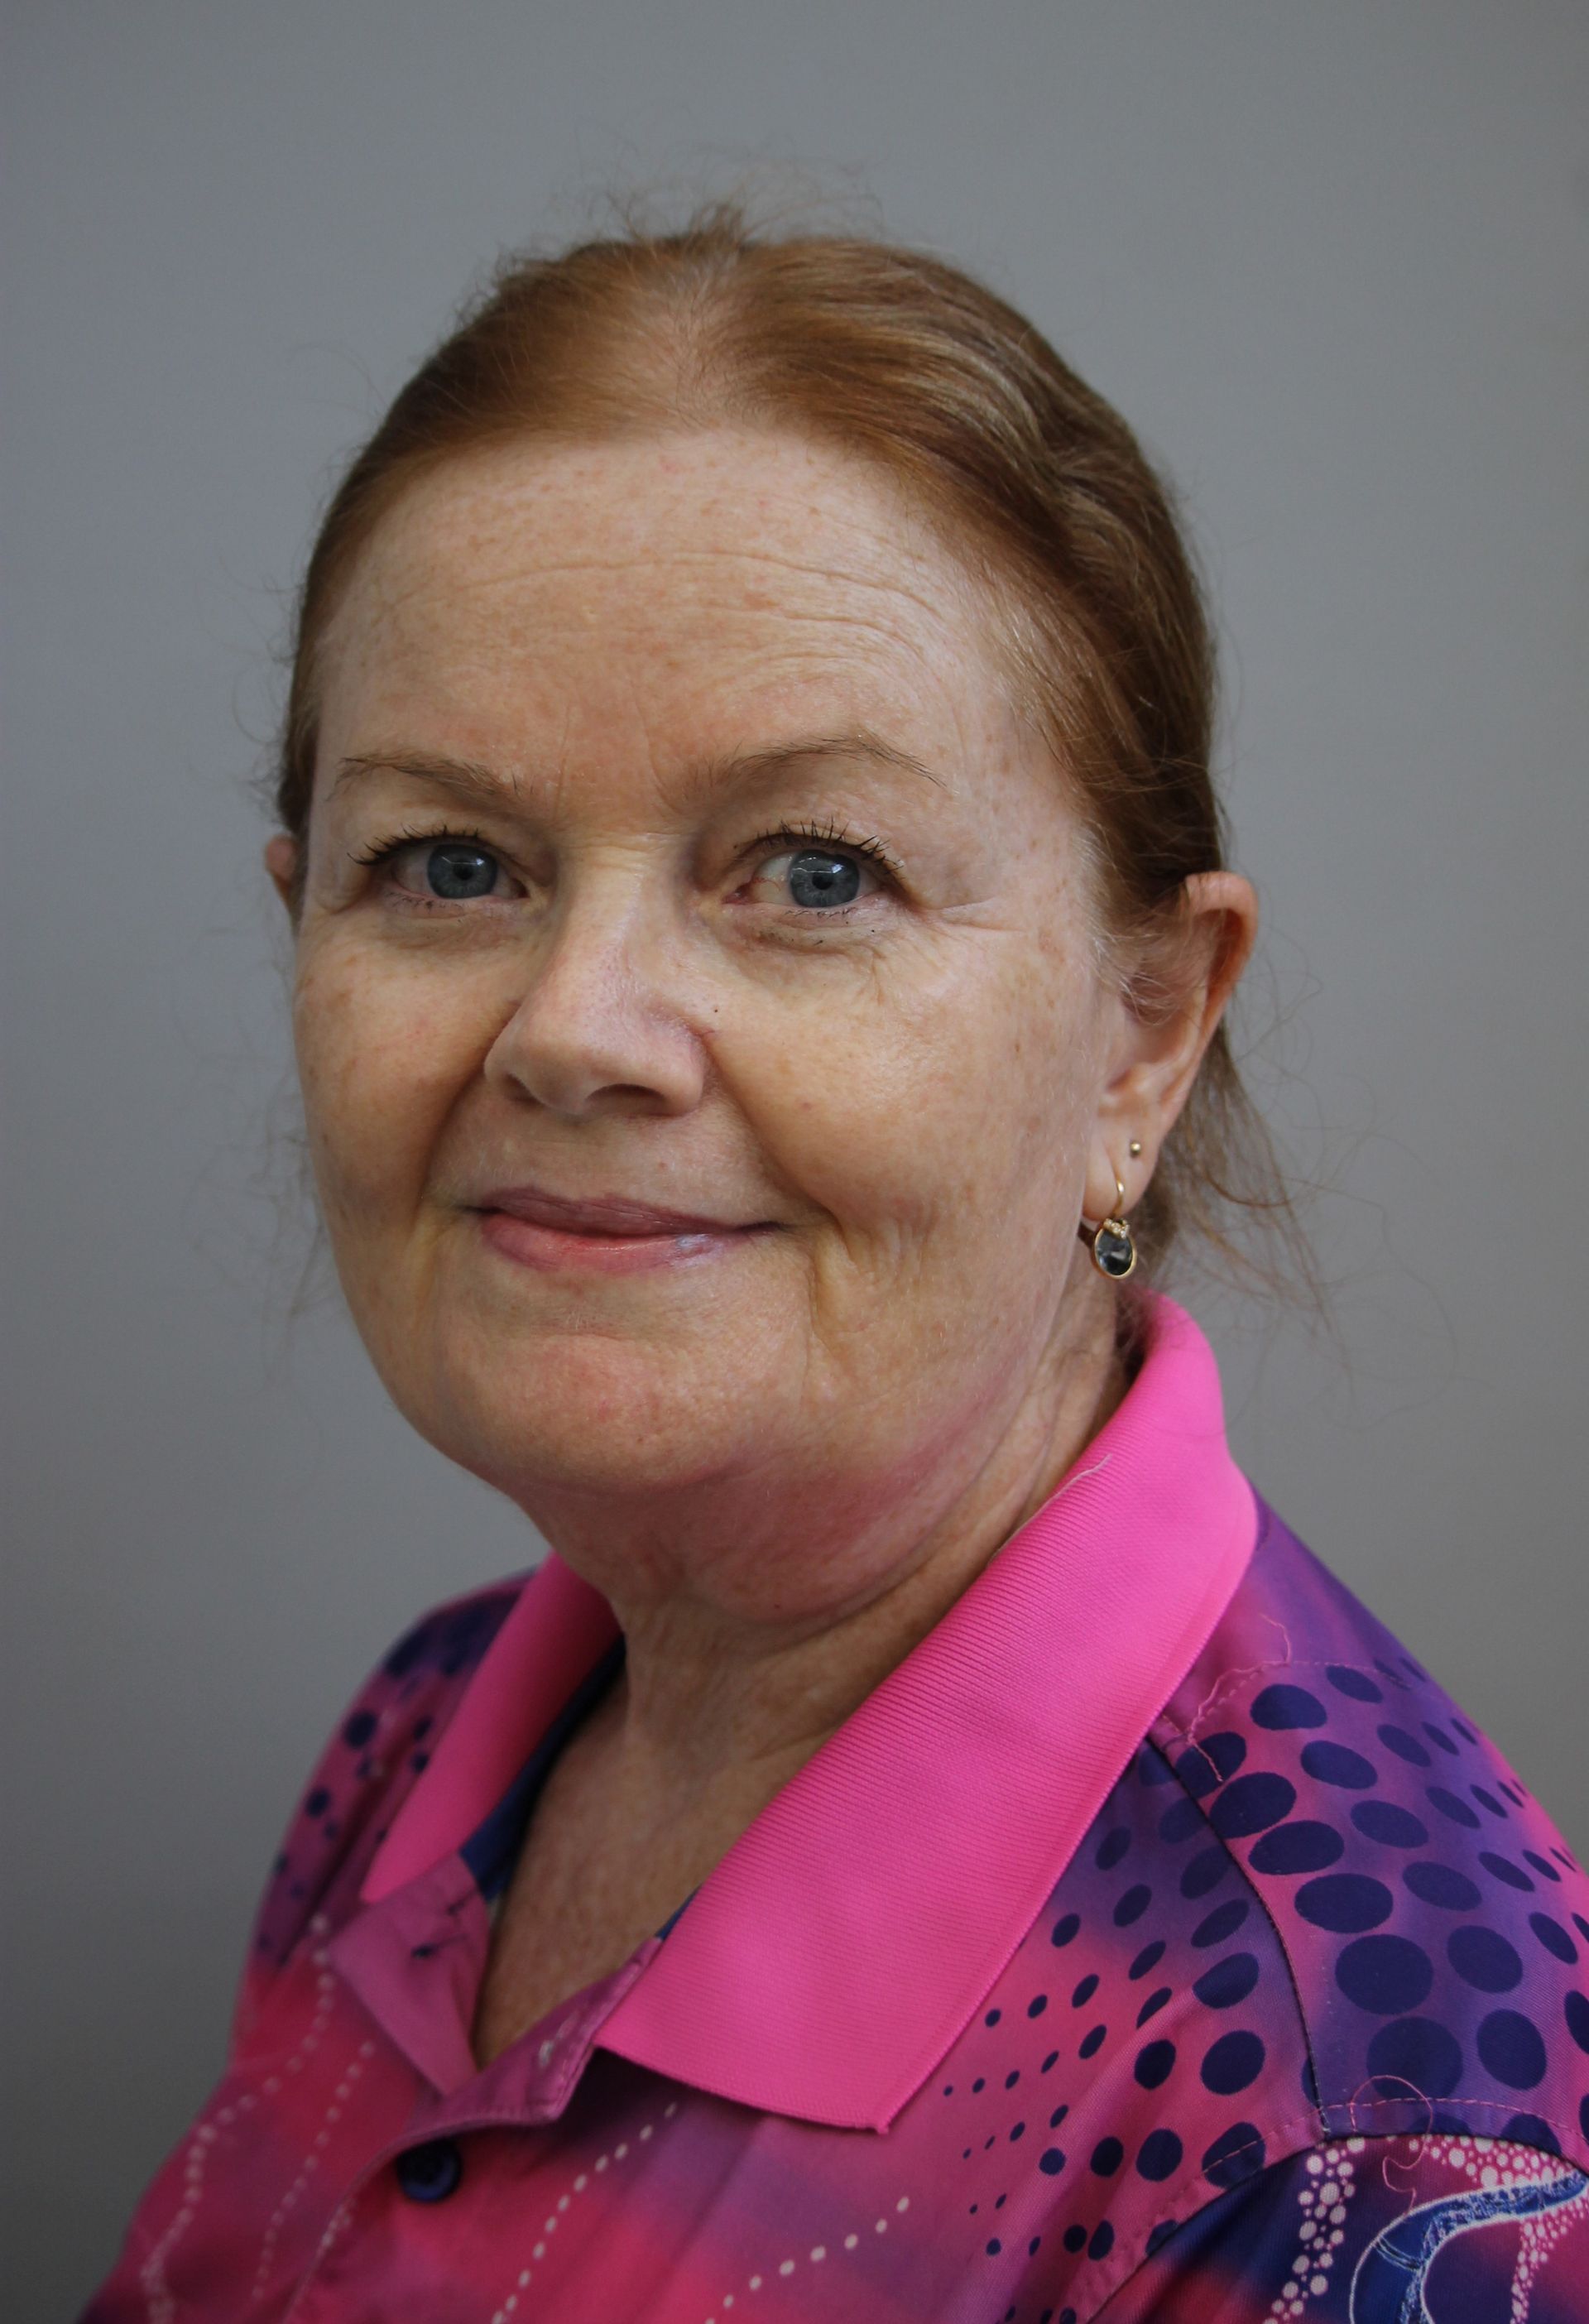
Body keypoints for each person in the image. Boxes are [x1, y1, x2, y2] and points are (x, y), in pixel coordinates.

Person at [81, 206, 1588, 2324]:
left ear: (1146, 1024)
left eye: (813, 871)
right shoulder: (423, 1753)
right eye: (450, 863)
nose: (578, 1025)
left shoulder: (1370, 2143)